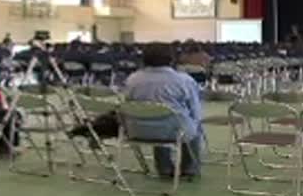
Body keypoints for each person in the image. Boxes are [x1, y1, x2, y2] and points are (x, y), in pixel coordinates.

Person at [69, 43, 203, 178]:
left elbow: (127, 104)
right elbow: (195, 112)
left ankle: (164, 168)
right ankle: (190, 169)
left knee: (156, 116)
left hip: (136, 130)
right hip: (173, 131)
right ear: (172, 59)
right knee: (188, 126)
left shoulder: (133, 79)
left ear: (144, 59)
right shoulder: (184, 80)